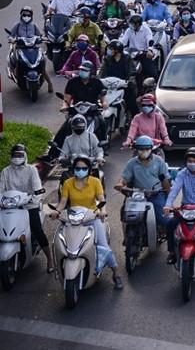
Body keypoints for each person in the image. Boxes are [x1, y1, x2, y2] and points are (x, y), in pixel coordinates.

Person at [51, 156, 123, 289]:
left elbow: (101, 200)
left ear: (89, 169)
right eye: (77, 168)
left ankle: (116, 274)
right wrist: (56, 212)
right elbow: (63, 202)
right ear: (73, 169)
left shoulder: (95, 182)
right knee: (60, 243)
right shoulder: (68, 183)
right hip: (72, 220)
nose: (80, 170)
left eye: (84, 168)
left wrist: (102, 211)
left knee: (104, 247)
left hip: (91, 218)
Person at [0, 144, 54, 273]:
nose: (17, 158)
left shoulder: (31, 170)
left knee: (37, 229)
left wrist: (34, 196)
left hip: (29, 205)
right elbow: (1, 188)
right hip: (10, 205)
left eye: (19, 155)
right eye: (14, 155)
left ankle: (50, 259)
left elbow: (37, 186)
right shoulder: (5, 171)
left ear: (24, 156)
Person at [114, 136, 171, 228]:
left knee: (163, 220)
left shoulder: (159, 162)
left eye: (147, 149)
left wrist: (168, 198)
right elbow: (125, 177)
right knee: (127, 215)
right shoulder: (132, 163)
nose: (144, 151)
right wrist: (120, 184)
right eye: (141, 149)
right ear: (137, 149)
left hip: (155, 194)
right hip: (138, 194)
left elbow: (165, 181)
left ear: (151, 149)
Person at [7, 6, 54, 93]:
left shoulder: (34, 26)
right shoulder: (17, 25)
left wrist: (44, 39)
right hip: (20, 47)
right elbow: (10, 35)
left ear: (31, 16)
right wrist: (12, 39)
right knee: (16, 60)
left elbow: (40, 36)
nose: (26, 17)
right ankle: (15, 74)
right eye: (24, 15)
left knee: (42, 62)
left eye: (28, 15)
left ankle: (49, 82)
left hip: (33, 48)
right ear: (21, 15)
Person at [60, 61, 108, 143]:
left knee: (102, 123)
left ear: (91, 72)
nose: (82, 72)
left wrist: (104, 103)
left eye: (85, 71)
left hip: (92, 110)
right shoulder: (73, 82)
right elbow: (66, 98)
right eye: (81, 70)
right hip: (76, 110)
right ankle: (54, 152)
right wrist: (64, 106)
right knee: (65, 127)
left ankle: (103, 144)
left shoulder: (97, 82)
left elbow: (103, 97)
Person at [99, 39, 138, 116]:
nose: (109, 50)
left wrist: (130, 82)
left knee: (132, 104)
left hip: (123, 86)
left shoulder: (127, 59)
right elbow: (102, 72)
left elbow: (132, 73)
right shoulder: (107, 59)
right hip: (108, 86)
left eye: (111, 49)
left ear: (117, 50)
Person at [120, 14, 157, 79]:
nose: (130, 25)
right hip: (131, 54)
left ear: (137, 24)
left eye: (132, 23)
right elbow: (123, 41)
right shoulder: (129, 30)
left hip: (144, 54)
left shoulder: (146, 30)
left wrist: (150, 50)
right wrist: (118, 46)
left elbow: (150, 40)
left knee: (152, 73)